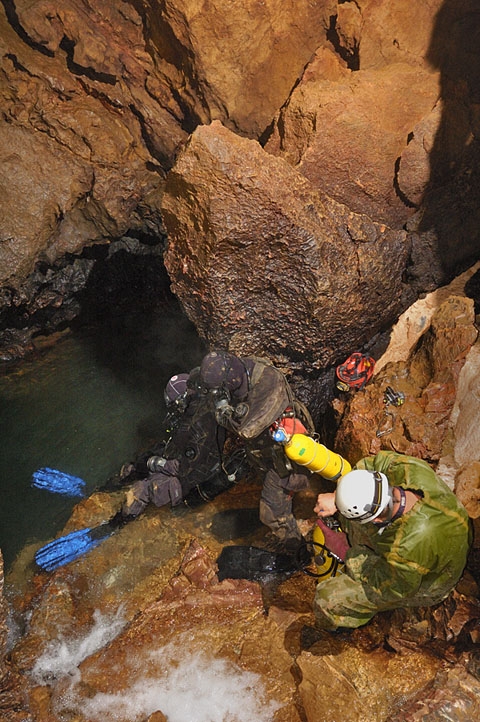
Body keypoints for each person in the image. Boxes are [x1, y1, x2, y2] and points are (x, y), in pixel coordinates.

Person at [312, 450, 471, 631]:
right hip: (440, 533)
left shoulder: (406, 548)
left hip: (428, 582)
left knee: (327, 599)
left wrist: (345, 551)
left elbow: (392, 587)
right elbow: (373, 463)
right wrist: (336, 496)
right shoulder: (407, 469)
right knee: (348, 519)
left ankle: (341, 628)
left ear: (377, 520)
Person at [196, 350, 315, 553]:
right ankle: (288, 508)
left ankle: (296, 547)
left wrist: (223, 412)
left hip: (289, 459)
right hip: (269, 449)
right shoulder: (244, 368)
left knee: (270, 512)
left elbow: (247, 430)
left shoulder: (268, 385)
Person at [118, 369, 249, 519]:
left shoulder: (198, 427)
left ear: (182, 400)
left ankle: (115, 524)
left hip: (192, 478)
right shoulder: (200, 407)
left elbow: (182, 467)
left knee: (141, 489)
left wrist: (156, 463)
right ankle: (124, 478)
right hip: (196, 459)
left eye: (174, 404)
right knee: (142, 461)